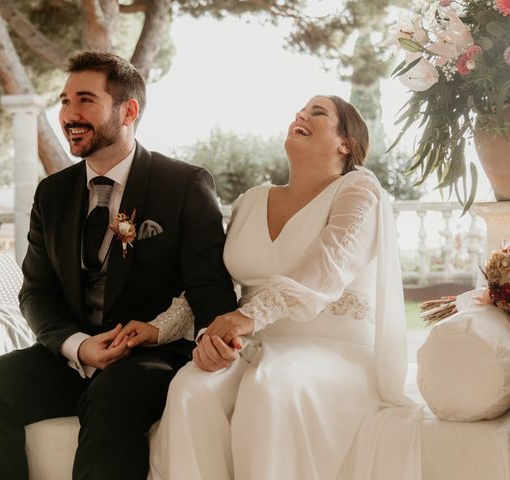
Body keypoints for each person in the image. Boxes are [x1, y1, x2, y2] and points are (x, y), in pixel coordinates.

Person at [0, 51, 238, 480]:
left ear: (129, 110)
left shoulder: (183, 185)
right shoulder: (52, 193)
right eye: (64, 101)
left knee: (113, 395)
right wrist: (77, 345)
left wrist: (217, 344)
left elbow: (209, 287)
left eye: (85, 100)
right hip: (73, 353)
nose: (68, 113)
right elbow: (36, 292)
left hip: (150, 358)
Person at [137, 95, 423, 479]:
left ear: (346, 143)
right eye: (300, 111)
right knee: (191, 390)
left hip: (334, 349)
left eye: (317, 113)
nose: (300, 115)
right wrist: (161, 327)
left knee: (269, 391)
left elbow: (327, 267)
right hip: (253, 347)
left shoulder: (358, 191)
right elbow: (214, 280)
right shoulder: (251, 201)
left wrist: (245, 316)